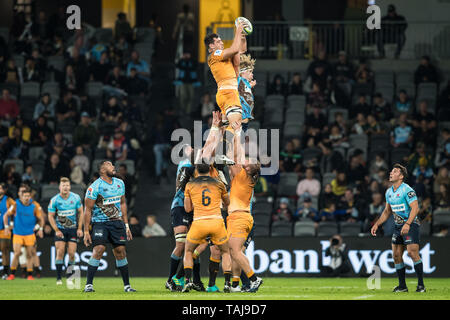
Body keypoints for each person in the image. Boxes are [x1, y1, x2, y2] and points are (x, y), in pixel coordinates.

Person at [83, 160, 136, 293]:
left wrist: (126, 225)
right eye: (110, 165)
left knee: (120, 252)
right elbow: (87, 210)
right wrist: (85, 231)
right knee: (99, 249)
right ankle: (88, 285)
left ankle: (127, 286)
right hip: (100, 223)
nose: (113, 167)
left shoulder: (120, 183)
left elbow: (123, 203)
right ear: (102, 170)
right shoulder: (94, 187)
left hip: (117, 222)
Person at [371, 164, 425, 293]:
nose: (391, 173)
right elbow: (387, 211)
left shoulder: (407, 190)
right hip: (398, 226)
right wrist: (377, 224)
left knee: (412, 252)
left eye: (394, 171)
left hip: (410, 224)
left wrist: (407, 224)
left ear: (401, 176)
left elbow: (415, 208)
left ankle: (421, 285)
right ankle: (402, 286)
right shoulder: (389, 192)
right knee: (396, 255)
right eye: (391, 171)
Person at [182, 162, 232, 293]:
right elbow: (228, 203)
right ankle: (227, 283)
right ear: (210, 169)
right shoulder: (218, 183)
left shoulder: (190, 185)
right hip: (216, 222)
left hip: (199, 222)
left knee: (188, 251)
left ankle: (187, 281)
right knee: (225, 252)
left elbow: (187, 209)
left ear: (197, 170)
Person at [225, 132, 263, 293]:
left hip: (239, 217)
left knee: (234, 251)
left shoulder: (243, 176)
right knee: (235, 252)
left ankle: (254, 279)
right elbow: (233, 157)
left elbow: (233, 155)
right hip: (237, 217)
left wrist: (236, 133)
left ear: (248, 168)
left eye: (247, 161)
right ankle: (235, 285)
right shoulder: (245, 177)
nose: (245, 160)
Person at [204, 22, 246, 154]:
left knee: (224, 127)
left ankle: (212, 154)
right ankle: (221, 153)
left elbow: (238, 60)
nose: (222, 43)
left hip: (225, 93)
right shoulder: (215, 54)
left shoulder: (222, 57)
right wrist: (238, 30)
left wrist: (242, 37)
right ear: (211, 45)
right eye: (218, 41)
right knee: (236, 125)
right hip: (229, 93)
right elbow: (233, 49)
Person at [47, 177, 83, 285]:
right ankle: (58, 278)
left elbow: (81, 212)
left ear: (70, 187)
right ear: (59, 187)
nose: (65, 188)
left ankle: (70, 277)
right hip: (60, 230)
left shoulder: (76, 198)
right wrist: (56, 230)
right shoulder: (54, 200)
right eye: (63, 186)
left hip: (72, 229)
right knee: (60, 251)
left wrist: (80, 228)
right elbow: (50, 216)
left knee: (72, 254)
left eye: (67, 185)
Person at [4, 187, 44, 280]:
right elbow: (6, 215)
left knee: (29, 254)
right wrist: (6, 227)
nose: (26, 198)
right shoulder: (16, 205)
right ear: (21, 197)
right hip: (18, 233)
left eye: (28, 196)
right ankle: (12, 274)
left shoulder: (34, 207)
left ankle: (30, 275)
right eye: (25, 196)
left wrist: (40, 228)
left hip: (29, 234)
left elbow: (41, 219)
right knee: (17, 253)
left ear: (30, 197)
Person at [0, 183, 15, 279]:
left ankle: (5, 272)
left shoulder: (8, 200)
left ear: (4, 190)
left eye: (0, 188)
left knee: (4, 250)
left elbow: (16, 209)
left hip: (4, 229)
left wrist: (11, 224)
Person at [238, 53, 256, 130]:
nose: (252, 74)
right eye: (250, 71)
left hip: (245, 121)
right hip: (239, 121)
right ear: (242, 72)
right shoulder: (239, 80)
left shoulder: (245, 84)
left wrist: (250, 87)